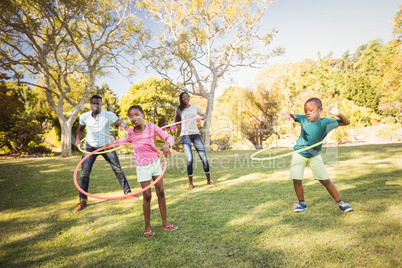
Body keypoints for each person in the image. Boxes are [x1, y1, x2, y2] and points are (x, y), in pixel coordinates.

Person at [113, 105, 177, 237]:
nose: (134, 118)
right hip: (142, 166)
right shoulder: (131, 131)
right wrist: (113, 143)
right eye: (131, 116)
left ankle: (165, 222)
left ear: (143, 115)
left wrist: (166, 145)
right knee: (147, 195)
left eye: (137, 114)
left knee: (161, 192)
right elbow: (128, 140)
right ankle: (147, 227)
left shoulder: (152, 128)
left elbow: (169, 137)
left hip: (155, 163)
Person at [282, 97, 353, 213]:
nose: (307, 113)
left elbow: (346, 122)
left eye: (311, 110)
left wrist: (339, 114)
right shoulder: (303, 119)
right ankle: (302, 203)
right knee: (297, 179)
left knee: (325, 180)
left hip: (314, 154)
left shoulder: (326, 123)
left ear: (320, 110)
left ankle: (340, 202)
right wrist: (287, 114)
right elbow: (292, 115)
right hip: (299, 153)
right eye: (305, 110)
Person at [74, 95, 137, 213]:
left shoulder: (108, 114)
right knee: (84, 173)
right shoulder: (84, 116)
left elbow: (120, 122)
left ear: (101, 104)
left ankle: (128, 193)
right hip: (89, 146)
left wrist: (123, 125)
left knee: (118, 169)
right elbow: (81, 129)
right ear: (90, 104)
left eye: (98, 103)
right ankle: (82, 201)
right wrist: (78, 139)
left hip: (106, 145)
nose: (96, 106)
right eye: (94, 103)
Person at [174, 92, 214, 190]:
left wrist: (203, 116)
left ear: (189, 98)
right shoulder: (179, 110)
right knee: (190, 159)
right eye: (183, 97)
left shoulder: (195, 107)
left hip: (195, 134)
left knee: (203, 157)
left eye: (187, 96)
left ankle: (209, 180)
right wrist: (168, 126)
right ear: (181, 99)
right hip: (185, 135)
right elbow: (176, 122)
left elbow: (202, 114)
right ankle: (191, 184)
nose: (185, 98)